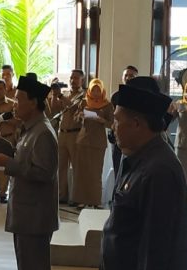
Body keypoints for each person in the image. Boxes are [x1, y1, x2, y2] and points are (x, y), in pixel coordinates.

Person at [100, 83, 187, 270]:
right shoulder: (137, 157)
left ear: (136, 124)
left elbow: (156, 251)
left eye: (117, 120)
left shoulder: (159, 170)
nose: (113, 126)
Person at [0, 74, 58, 270]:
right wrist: (0, 144)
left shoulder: (43, 132)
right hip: (25, 215)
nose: (14, 105)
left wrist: (8, 164)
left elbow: (44, 173)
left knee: (34, 269)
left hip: (35, 218)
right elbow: (23, 158)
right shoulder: (30, 128)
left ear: (33, 103)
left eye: (18, 100)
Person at [72, 78, 113, 208]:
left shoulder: (107, 105)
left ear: (102, 91)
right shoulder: (84, 102)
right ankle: (81, 200)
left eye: (98, 90)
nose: (95, 93)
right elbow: (75, 118)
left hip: (98, 142)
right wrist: (80, 116)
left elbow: (112, 123)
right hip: (83, 140)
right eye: (93, 90)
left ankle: (95, 201)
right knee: (82, 172)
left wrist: (102, 121)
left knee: (95, 172)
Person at [55, 69, 86, 204]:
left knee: (76, 167)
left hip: (75, 134)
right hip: (62, 133)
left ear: (82, 80)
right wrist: (54, 94)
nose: (73, 80)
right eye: (71, 78)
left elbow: (74, 108)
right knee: (61, 167)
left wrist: (61, 96)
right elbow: (54, 109)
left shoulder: (84, 95)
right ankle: (62, 195)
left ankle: (76, 197)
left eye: (76, 78)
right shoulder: (66, 93)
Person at [109, 65, 139, 178]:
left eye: (131, 76)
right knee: (118, 170)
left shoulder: (140, 97)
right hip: (117, 137)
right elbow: (112, 116)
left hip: (133, 139)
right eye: (126, 75)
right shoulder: (115, 96)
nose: (128, 78)